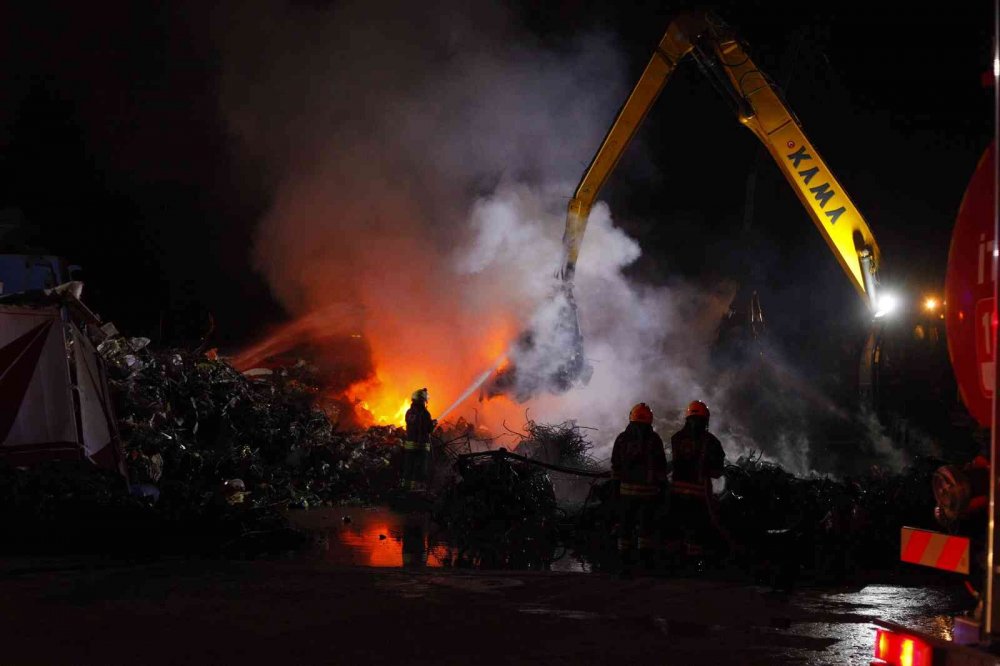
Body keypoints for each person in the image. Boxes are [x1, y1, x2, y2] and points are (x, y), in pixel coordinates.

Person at [667, 400, 726, 566]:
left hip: (676, 493)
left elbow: (675, 463)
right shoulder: (712, 442)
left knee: (676, 528)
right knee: (696, 531)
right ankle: (692, 565)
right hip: (699, 495)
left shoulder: (676, 438)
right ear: (706, 419)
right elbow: (717, 472)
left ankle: (672, 563)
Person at [611, 402, 667, 574]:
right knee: (646, 528)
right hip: (648, 494)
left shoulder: (622, 438)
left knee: (625, 527)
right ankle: (645, 563)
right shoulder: (654, 439)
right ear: (650, 418)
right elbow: (661, 466)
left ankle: (623, 563)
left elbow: (615, 464)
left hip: (626, 492)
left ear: (631, 416)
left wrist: (615, 490)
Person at [402, 388, 436, 492]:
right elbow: (428, 429)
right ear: (422, 401)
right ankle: (419, 490)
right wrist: (433, 424)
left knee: (409, 468)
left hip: (410, 446)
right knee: (421, 469)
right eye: (425, 401)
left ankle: (406, 488)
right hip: (421, 446)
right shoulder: (425, 413)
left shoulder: (408, 412)